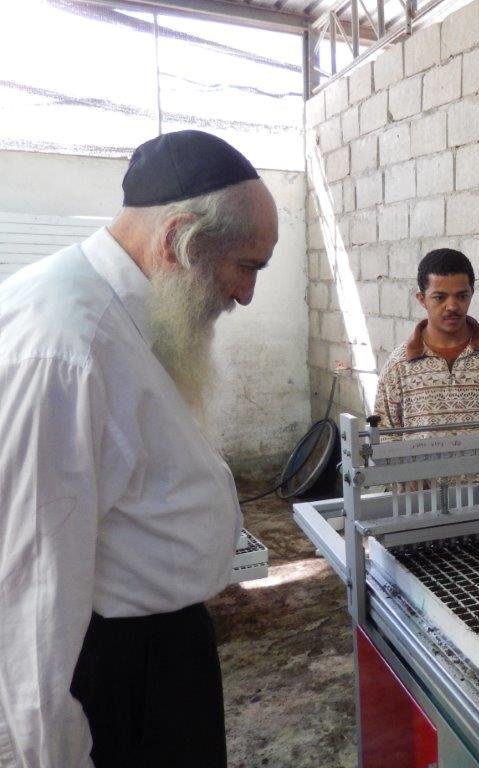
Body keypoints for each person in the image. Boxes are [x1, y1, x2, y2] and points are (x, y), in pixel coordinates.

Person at [0, 130, 278, 767]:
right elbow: (31, 597)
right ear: (180, 238)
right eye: (247, 265)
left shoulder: (127, 309)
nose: (245, 294)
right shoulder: (64, 344)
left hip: (163, 650)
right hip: (114, 672)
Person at [373, 248, 479, 436]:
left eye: (461, 296)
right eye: (440, 297)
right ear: (422, 299)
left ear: (472, 294)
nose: (452, 306)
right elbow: (386, 437)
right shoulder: (398, 365)